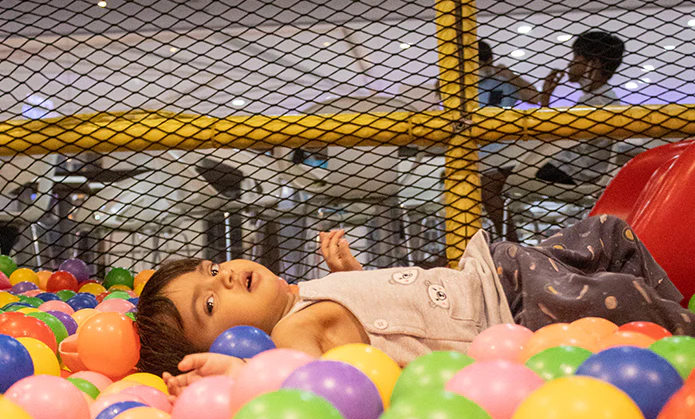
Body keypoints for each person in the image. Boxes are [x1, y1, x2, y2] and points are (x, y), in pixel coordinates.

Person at [134, 218, 695, 397]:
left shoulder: (307, 296)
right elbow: (306, 384)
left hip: (493, 270)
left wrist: (351, 276)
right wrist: (240, 374)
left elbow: (380, 320)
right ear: (225, 341)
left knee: (608, 233)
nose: (226, 275)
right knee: (625, 302)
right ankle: (682, 329)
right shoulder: (289, 336)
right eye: (211, 301)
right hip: (511, 312)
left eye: (212, 268)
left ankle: (675, 306)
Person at [482, 30, 625, 241]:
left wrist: (545, 103)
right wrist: (546, 101)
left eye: (576, 58)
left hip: (574, 172)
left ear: (592, 64)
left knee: (487, 184)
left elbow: (554, 137)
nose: (570, 64)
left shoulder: (598, 102)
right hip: (574, 168)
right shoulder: (600, 97)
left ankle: (513, 246)